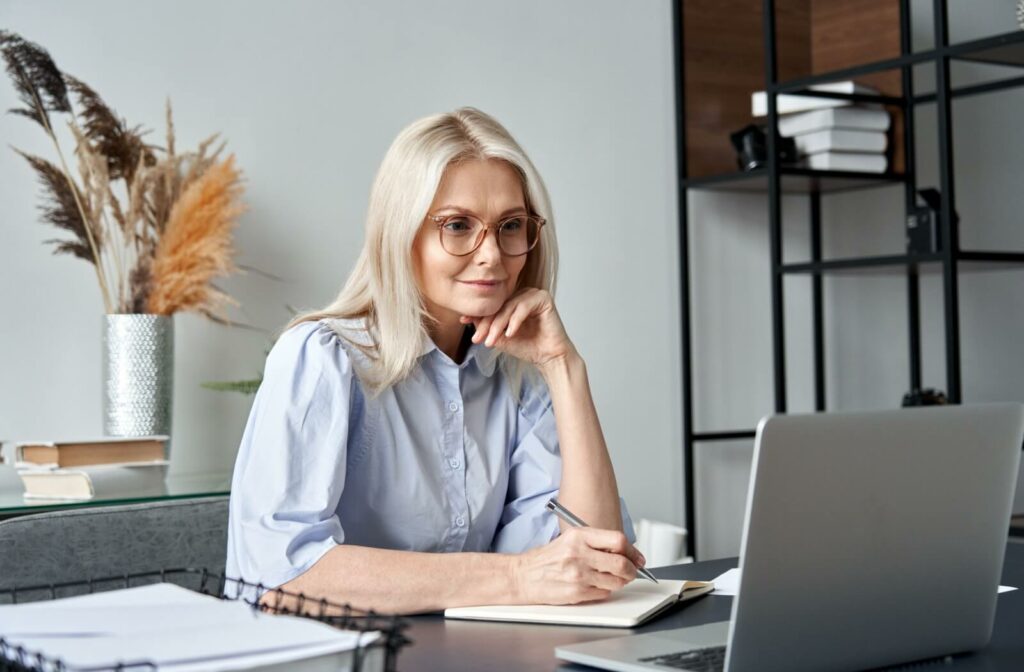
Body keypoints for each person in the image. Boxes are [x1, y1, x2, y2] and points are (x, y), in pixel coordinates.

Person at [226, 107, 643, 614]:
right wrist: (515, 577)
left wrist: (563, 367)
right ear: (402, 235)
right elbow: (280, 576)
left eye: (510, 225)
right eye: (458, 225)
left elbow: (590, 564)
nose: (491, 254)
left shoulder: (516, 375)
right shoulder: (323, 359)